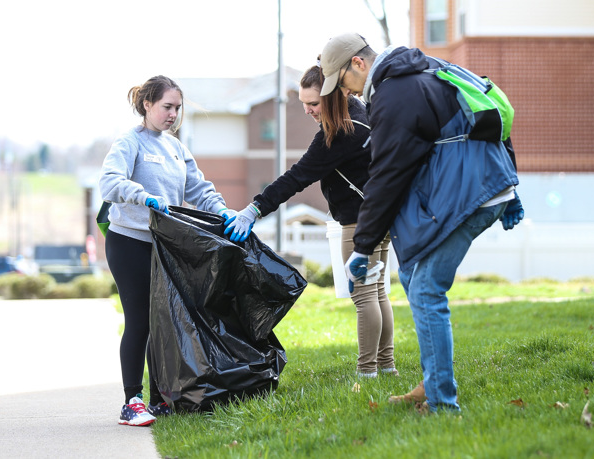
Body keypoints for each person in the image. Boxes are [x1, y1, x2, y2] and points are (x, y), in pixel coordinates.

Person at [319, 33, 524, 412]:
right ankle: (433, 383)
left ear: (358, 64)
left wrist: (363, 246)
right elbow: (490, 114)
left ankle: (442, 403)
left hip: (472, 192)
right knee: (415, 278)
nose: (345, 93)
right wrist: (510, 185)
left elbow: (387, 173)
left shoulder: (396, 94)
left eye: (342, 83)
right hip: (486, 186)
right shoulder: (427, 69)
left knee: (427, 290)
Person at [224, 65, 398, 378]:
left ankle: (367, 371)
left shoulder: (340, 133)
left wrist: (254, 209)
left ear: (333, 97)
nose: (307, 110)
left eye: (314, 104)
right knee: (377, 291)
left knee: (363, 294)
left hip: (358, 223)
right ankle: (386, 367)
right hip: (382, 216)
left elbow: (298, 176)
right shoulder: (362, 111)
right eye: (304, 103)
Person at [99, 75, 235, 426]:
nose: (173, 114)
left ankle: (160, 400)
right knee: (141, 319)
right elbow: (109, 181)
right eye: (167, 107)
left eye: (177, 108)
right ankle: (132, 402)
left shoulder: (176, 148)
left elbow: (199, 189)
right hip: (129, 241)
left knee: (164, 323)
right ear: (147, 105)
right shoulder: (131, 142)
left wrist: (224, 211)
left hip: (163, 244)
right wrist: (141, 196)